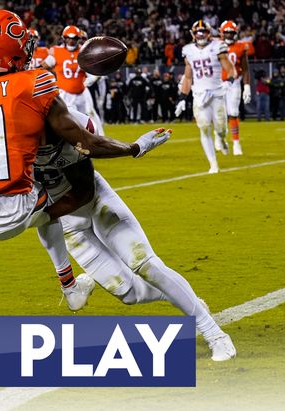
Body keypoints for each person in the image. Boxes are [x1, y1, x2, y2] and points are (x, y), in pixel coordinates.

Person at [0, 9, 171, 316]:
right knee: (50, 215)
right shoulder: (32, 84)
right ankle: (69, 285)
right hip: (20, 205)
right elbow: (83, 141)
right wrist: (135, 148)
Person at [34, 111, 236, 361]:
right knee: (129, 294)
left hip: (92, 198)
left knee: (145, 264)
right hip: (64, 222)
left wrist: (136, 147)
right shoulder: (2, 146)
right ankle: (183, 297)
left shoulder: (63, 119)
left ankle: (214, 333)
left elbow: (84, 187)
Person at [175, 20, 236, 174]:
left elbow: (231, 69)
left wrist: (229, 81)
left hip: (216, 93)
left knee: (221, 128)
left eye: (203, 31)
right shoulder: (188, 50)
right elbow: (188, 77)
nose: (200, 35)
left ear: (209, 33)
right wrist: (182, 98)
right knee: (203, 128)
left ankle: (221, 139)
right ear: (193, 34)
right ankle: (213, 164)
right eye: (197, 32)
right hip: (199, 95)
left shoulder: (217, 46)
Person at [44, 25, 105, 135]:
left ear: (78, 39)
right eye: (69, 38)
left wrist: (94, 76)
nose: (71, 41)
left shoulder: (83, 52)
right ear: (64, 38)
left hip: (82, 91)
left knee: (91, 114)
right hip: (64, 93)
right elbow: (42, 67)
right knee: (69, 118)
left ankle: (100, 138)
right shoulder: (56, 51)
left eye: (74, 38)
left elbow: (94, 69)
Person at [219, 20, 251, 156]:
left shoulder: (240, 47)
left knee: (233, 112)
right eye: (226, 33)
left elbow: (245, 69)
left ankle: (236, 143)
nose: (229, 36)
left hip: (234, 83)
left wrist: (247, 86)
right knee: (219, 114)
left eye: (231, 33)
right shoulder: (215, 46)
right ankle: (219, 138)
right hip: (218, 84)